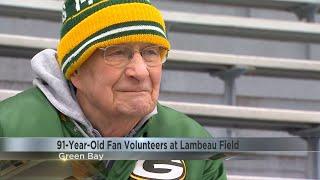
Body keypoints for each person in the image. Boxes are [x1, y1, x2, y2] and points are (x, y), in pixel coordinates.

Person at [0, 0, 227, 179]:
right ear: (76, 70)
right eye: (117, 52)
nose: (140, 71)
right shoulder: (9, 129)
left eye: (151, 52)